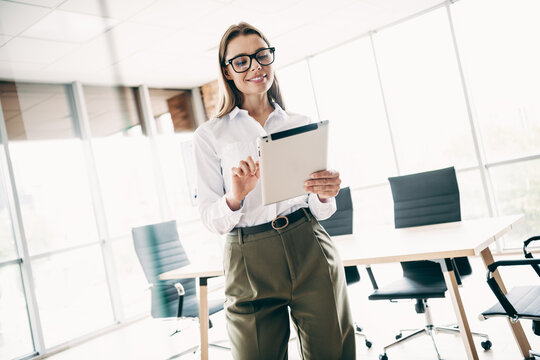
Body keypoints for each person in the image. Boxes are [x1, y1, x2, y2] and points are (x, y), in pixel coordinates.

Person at [192, 22, 355, 360]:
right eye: (241, 61)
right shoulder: (210, 136)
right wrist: (234, 196)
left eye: (261, 55)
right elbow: (211, 218)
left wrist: (325, 191)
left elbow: (321, 209)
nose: (255, 66)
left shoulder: (299, 123)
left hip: (309, 245)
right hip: (248, 259)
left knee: (333, 353)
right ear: (227, 71)